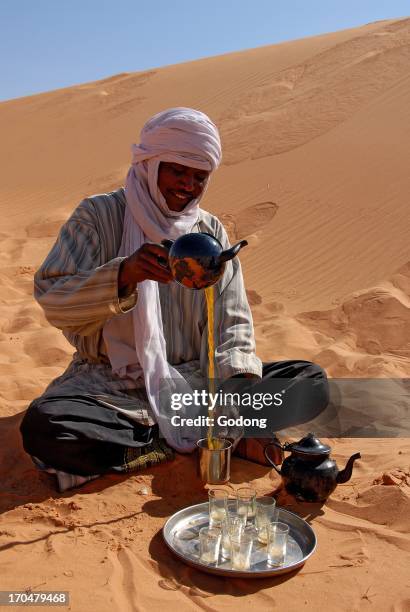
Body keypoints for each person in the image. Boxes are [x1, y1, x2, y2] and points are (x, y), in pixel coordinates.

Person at [20, 107, 329, 491]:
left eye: (199, 176)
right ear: (151, 164)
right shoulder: (98, 215)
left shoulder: (209, 229)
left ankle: (185, 436)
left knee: (310, 381)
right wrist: (124, 275)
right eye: (177, 171)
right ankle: (173, 442)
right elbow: (53, 299)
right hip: (114, 384)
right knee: (48, 427)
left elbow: (232, 319)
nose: (187, 185)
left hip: (199, 378)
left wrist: (231, 394)